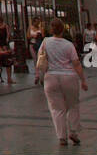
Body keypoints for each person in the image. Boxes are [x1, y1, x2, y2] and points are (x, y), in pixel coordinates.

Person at [37, 18, 88, 146]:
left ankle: (62, 137)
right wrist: (83, 80)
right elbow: (76, 63)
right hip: (69, 77)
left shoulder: (45, 42)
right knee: (73, 105)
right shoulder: (68, 45)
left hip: (51, 77)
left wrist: (39, 75)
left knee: (56, 109)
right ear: (63, 30)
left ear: (51, 29)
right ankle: (73, 132)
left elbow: (40, 59)